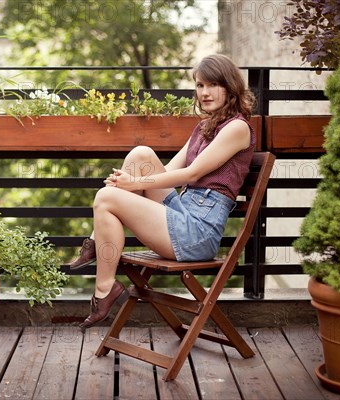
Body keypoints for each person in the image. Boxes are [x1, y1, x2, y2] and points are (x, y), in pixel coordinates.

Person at [70, 54, 256, 329]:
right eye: (200, 85)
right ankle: (98, 240)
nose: (204, 93)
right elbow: (169, 170)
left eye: (213, 85)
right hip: (183, 214)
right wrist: (131, 179)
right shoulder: (204, 127)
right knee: (141, 154)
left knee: (106, 198)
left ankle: (104, 287)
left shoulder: (238, 128)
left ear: (230, 87)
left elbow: (192, 174)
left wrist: (131, 186)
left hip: (197, 234)